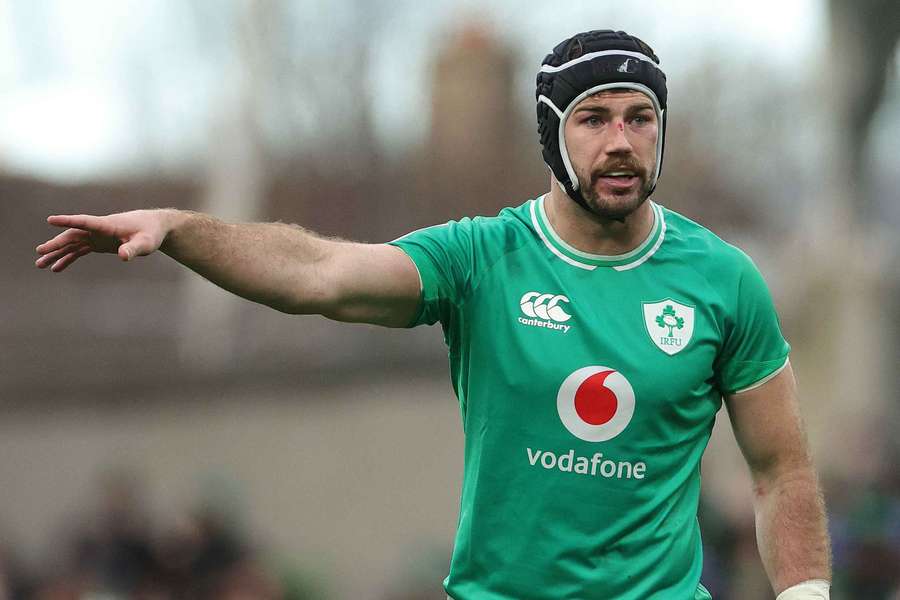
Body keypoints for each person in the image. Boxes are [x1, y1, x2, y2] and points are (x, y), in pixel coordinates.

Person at [36, 30, 831, 600]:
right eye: (594, 118)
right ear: (553, 136)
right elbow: (319, 272)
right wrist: (182, 230)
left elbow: (781, 469)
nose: (621, 141)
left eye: (640, 117)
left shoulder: (724, 281)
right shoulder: (481, 259)